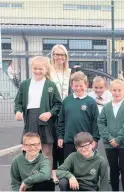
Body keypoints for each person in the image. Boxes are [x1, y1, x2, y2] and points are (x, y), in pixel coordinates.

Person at [14, 56, 62, 177]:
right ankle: (30, 175)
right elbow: (18, 102)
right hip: (30, 119)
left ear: (46, 69)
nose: (37, 71)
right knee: (29, 149)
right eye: (35, 68)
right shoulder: (25, 84)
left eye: (40, 69)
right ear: (32, 68)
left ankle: (46, 177)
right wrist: (18, 112)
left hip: (46, 121)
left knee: (46, 151)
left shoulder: (51, 85)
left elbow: (58, 104)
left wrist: (49, 113)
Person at [98, 79, 124, 191]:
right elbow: (101, 123)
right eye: (114, 90)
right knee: (113, 168)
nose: (117, 93)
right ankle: (114, 189)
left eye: (119, 90)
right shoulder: (106, 107)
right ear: (110, 91)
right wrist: (109, 138)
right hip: (110, 145)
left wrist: (118, 139)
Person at [57, 71, 100, 160]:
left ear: (86, 85)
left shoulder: (91, 102)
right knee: (69, 166)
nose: (78, 88)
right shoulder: (66, 101)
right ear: (71, 86)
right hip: (69, 140)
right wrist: (60, 136)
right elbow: (61, 121)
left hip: (85, 142)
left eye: (81, 85)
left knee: (85, 166)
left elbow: (95, 122)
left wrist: (95, 139)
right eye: (76, 86)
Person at [49, 44, 72, 184]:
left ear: (66, 56)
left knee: (64, 142)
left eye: (62, 54)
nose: (59, 57)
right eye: (56, 54)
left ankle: (64, 170)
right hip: (53, 111)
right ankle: (53, 172)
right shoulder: (48, 72)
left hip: (67, 111)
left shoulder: (70, 71)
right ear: (52, 56)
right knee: (53, 142)